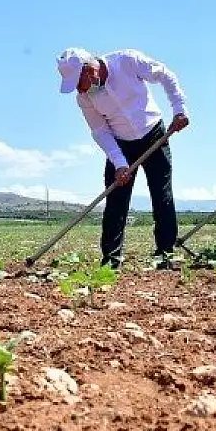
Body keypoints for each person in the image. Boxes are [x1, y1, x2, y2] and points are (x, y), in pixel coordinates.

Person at [56, 47, 190, 269]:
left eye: (80, 82)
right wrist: (119, 162)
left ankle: (165, 253)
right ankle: (111, 259)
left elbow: (165, 75)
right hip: (120, 144)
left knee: (162, 195)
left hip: (154, 133)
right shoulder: (84, 99)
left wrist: (179, 109)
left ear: (90, 70)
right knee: (116, 201)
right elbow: (100, 131)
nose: (79, 90)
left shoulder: (127, 60)